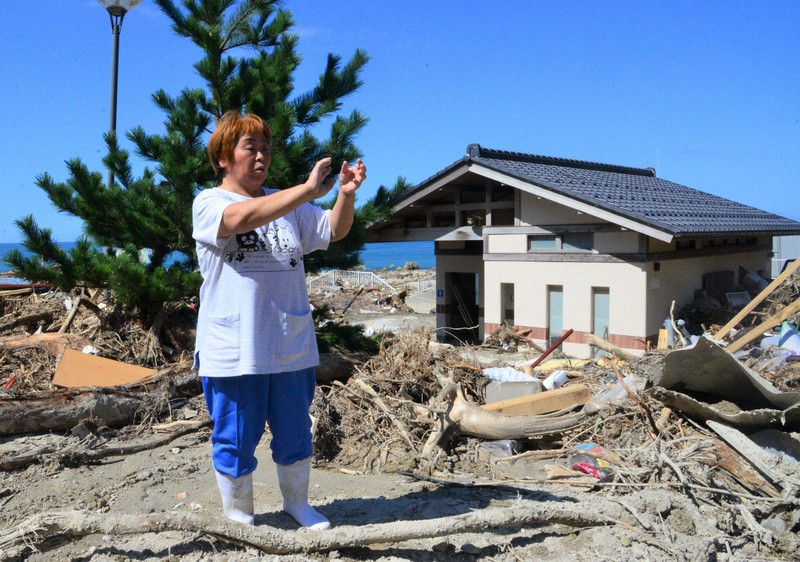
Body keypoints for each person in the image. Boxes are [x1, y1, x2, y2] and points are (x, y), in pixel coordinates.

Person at [191, 109, 366, 529]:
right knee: (235, 437)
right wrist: (306, 189)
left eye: (265, 149)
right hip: (235, 349)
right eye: (250, 148)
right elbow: (240, 219)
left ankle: (297, 503)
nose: (261, 157)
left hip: (289, 343)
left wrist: (344, 194)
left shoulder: (288, 205)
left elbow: (332, 231)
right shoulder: (210, 202)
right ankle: (238, 514)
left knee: (295, 433)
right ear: (222, 157)